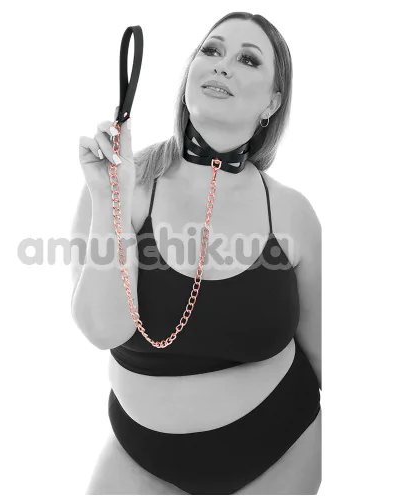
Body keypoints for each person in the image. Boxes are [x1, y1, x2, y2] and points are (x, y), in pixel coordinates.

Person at [72, 11, 322, 495]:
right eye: (211, 50)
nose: (222, 64)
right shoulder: (124, 184)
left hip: (283, 451)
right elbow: (103, 329)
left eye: (248, 59)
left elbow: (328, 351)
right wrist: (109, 198)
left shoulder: (292, 213)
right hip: (140, 462)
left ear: (272, 102)